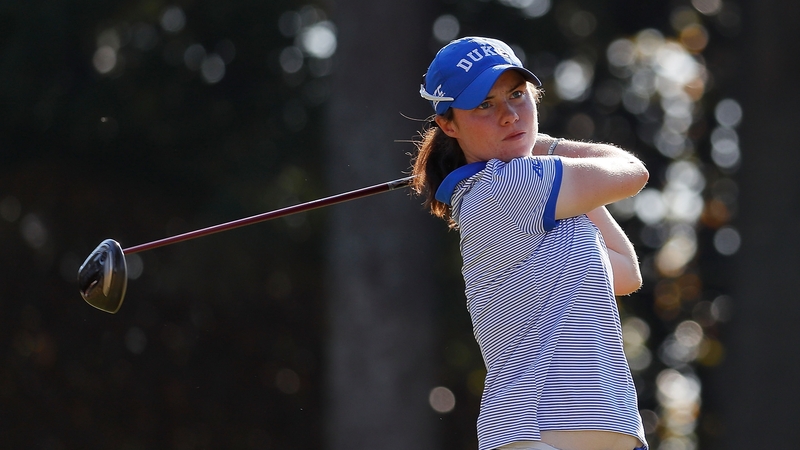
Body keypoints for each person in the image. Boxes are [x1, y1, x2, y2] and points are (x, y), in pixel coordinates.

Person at [411, 37, 650, 450]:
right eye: (484, 104)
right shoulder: (507, 187)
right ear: (449, 125)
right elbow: (632, 172)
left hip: (579, 429)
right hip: (539, 431)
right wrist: (548, 146)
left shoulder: (535, 193)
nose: (508, 115)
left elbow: (626, 273)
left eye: (518, 96)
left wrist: (537, 154)